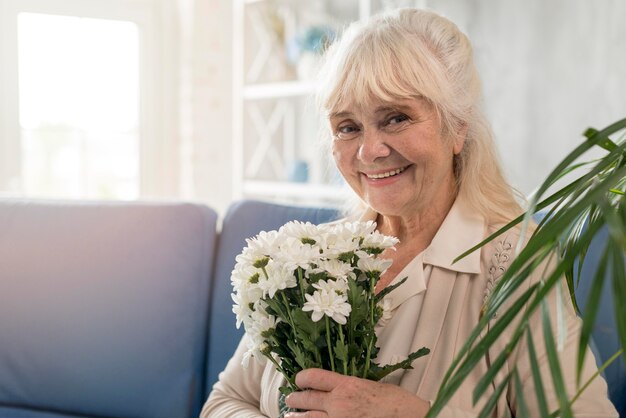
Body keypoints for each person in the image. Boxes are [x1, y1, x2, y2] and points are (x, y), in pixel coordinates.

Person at [202, 8, 618, 417]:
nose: (369, 151)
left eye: (396, 118)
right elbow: (224, 403)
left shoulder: (516, 264)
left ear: (458, 127)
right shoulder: (310, 257)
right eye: (348, 127)